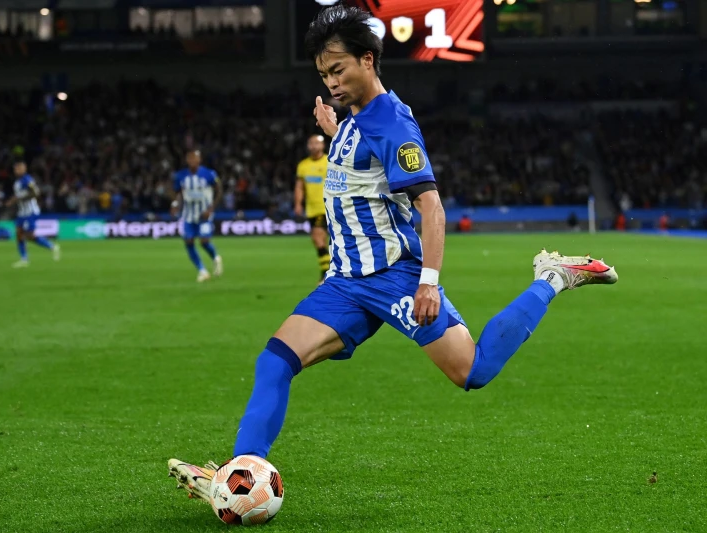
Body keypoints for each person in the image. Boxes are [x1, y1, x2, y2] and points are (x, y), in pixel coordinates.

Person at [168, 5, 618, 499]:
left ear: (367, 59)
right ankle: (239, 475)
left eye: (338, 70)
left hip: (394, 277)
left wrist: (428, 281)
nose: (331, 82)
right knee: (274, 362)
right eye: (323, 74)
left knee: (473, 371)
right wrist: (337, 131)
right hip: (345, 283)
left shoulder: (394, 125)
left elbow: (432, 207)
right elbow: (365, 167)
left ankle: (552, 276)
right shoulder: (356, 119)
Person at [171, 149, 223, 283]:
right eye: (190, 158)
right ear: (187, 160)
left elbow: (219, 190)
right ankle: (202, 271)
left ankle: (215, 257)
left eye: (195, 158)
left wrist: (211, 209)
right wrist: (175, 204)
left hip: (204, 214)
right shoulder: (181, 175)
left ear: (199, 160)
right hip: (188, 215)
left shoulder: (209, 174)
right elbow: (178, 192)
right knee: (188, 241)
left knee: (204, 242)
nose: (192, 161)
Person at [8, 161, 59, 268]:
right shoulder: (17, 182)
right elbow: (20, 195)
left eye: (19, 168)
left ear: (24, 169)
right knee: (19, 234)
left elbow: (36, 192)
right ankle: (24, 259)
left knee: (29, 236)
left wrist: (19, 198)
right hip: (22, 212)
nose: (16, 170)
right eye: (15, 169)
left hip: (31, 211)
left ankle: (52, 246)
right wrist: (13, 200)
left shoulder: (27, 179)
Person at [294, 134, 331, 281]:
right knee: (318, 240)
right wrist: (298, 203)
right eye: (311, 143)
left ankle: (326, 274)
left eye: (316, 143)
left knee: (317, 237)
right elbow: (299, 187)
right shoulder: (303, 165)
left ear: (322, 145)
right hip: (311, 209)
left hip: (327, 207)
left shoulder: (330, 161)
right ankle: (329, 270)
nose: (313, 146)